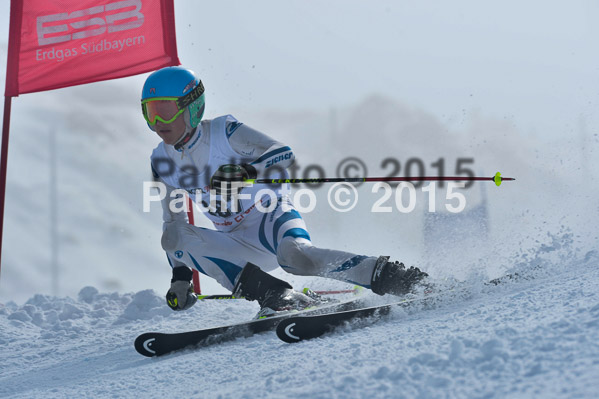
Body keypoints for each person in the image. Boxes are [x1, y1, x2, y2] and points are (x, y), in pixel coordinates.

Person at [141, 66, 427, 317]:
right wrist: (180, 277)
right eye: (150, 113)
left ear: (192, 107)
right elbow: (175, 224)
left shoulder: (223, 131)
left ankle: (397, 277)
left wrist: (244, 173)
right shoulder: (161, 161)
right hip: (236, 241)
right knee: (171, 235)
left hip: (270, 217)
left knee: (297, 259)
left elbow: (283, 153)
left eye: (164, 112)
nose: (158, 124)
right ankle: (275, 295)